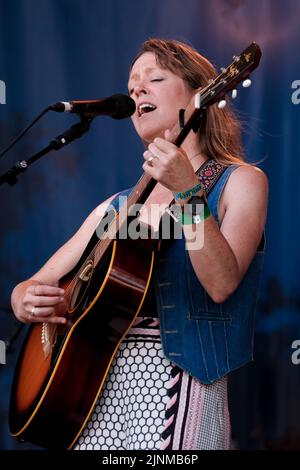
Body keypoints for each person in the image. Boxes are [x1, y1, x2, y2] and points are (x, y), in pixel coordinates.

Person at [11, 38, 268, 450]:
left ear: (200, 93)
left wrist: (187, 193)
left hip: (179, 377)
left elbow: (221, 283)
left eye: (155, 78)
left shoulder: (240, 182)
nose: (137, 91)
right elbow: (33, 285)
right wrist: (24, 299)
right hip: (93, 384)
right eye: (132, 86)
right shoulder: (114, 207)